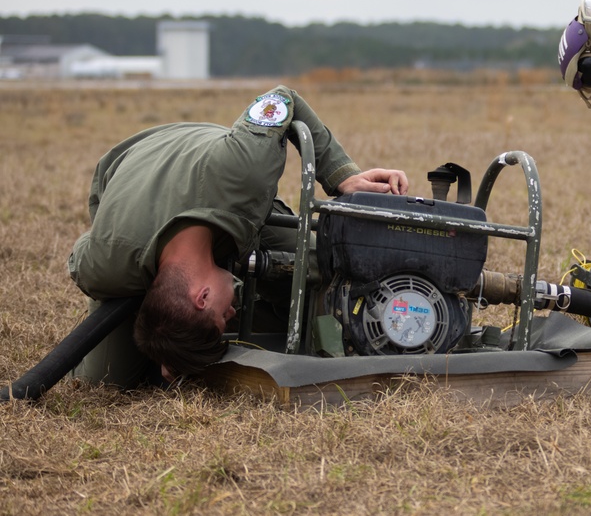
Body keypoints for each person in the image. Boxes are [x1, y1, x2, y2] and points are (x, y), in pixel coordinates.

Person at [68, 85, 408, 388]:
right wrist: (173, 343)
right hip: (126, 174)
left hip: (218, 182)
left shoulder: (243, 171)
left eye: (221, 318)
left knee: (324, 272)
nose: (229, 315)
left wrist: (342, 176)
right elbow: (93, 237)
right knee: (105, 380)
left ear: (201, 297)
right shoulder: (103, 263)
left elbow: (282, 97)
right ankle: (167, 314)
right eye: (223, 321)